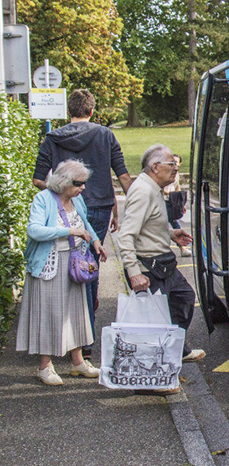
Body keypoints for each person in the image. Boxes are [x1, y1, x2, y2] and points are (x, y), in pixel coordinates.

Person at [32, 89, 132, 357]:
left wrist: (63, 192)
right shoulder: (105, 134)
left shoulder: (53, 137)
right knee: (86, 271)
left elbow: (38, 178)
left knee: (62, 272)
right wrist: (123, 209)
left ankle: (64, 338)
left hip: (62, 209)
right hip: (98, 208)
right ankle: (84, 342)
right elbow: (122, 175)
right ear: (91, 112)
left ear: (69, 112)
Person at [16, 160, 108, 385]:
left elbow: (85, 222)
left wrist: (95, 240)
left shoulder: (77, 199)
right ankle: (45, 366)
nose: (83, 187)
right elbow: (34, 230)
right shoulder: (43, 199)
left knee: (76, 312)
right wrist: (69, 230)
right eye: (79, 183)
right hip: (49, 263)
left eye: (84, 183)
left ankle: (78, 363)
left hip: (74, 263)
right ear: (63, 182)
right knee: (48, 314)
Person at [117, 144, 205, 372]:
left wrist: (171, 233)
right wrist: (134, 273)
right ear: (155, 167)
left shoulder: (153, 188)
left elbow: (149, 222)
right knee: (153, 325)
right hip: (148, 267)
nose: (176, 169)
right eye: (171, 165)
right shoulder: (143, 191)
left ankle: (174, 349)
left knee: (184, 298)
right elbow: (125, 235)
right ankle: (153, 377)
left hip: (163, 263)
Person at [163, 154, 190, 257]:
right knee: (172, 223)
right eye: (172, 161)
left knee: (173, 223)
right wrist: (170, 194)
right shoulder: (165, 173)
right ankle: (182, 247)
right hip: (164, 201)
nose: (174, 164)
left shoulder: (176, 174)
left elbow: (177, 187)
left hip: (172, 202)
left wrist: (181, 202)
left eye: (176, 162)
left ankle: (182, 247)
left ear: (180, 164)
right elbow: (161, 187)